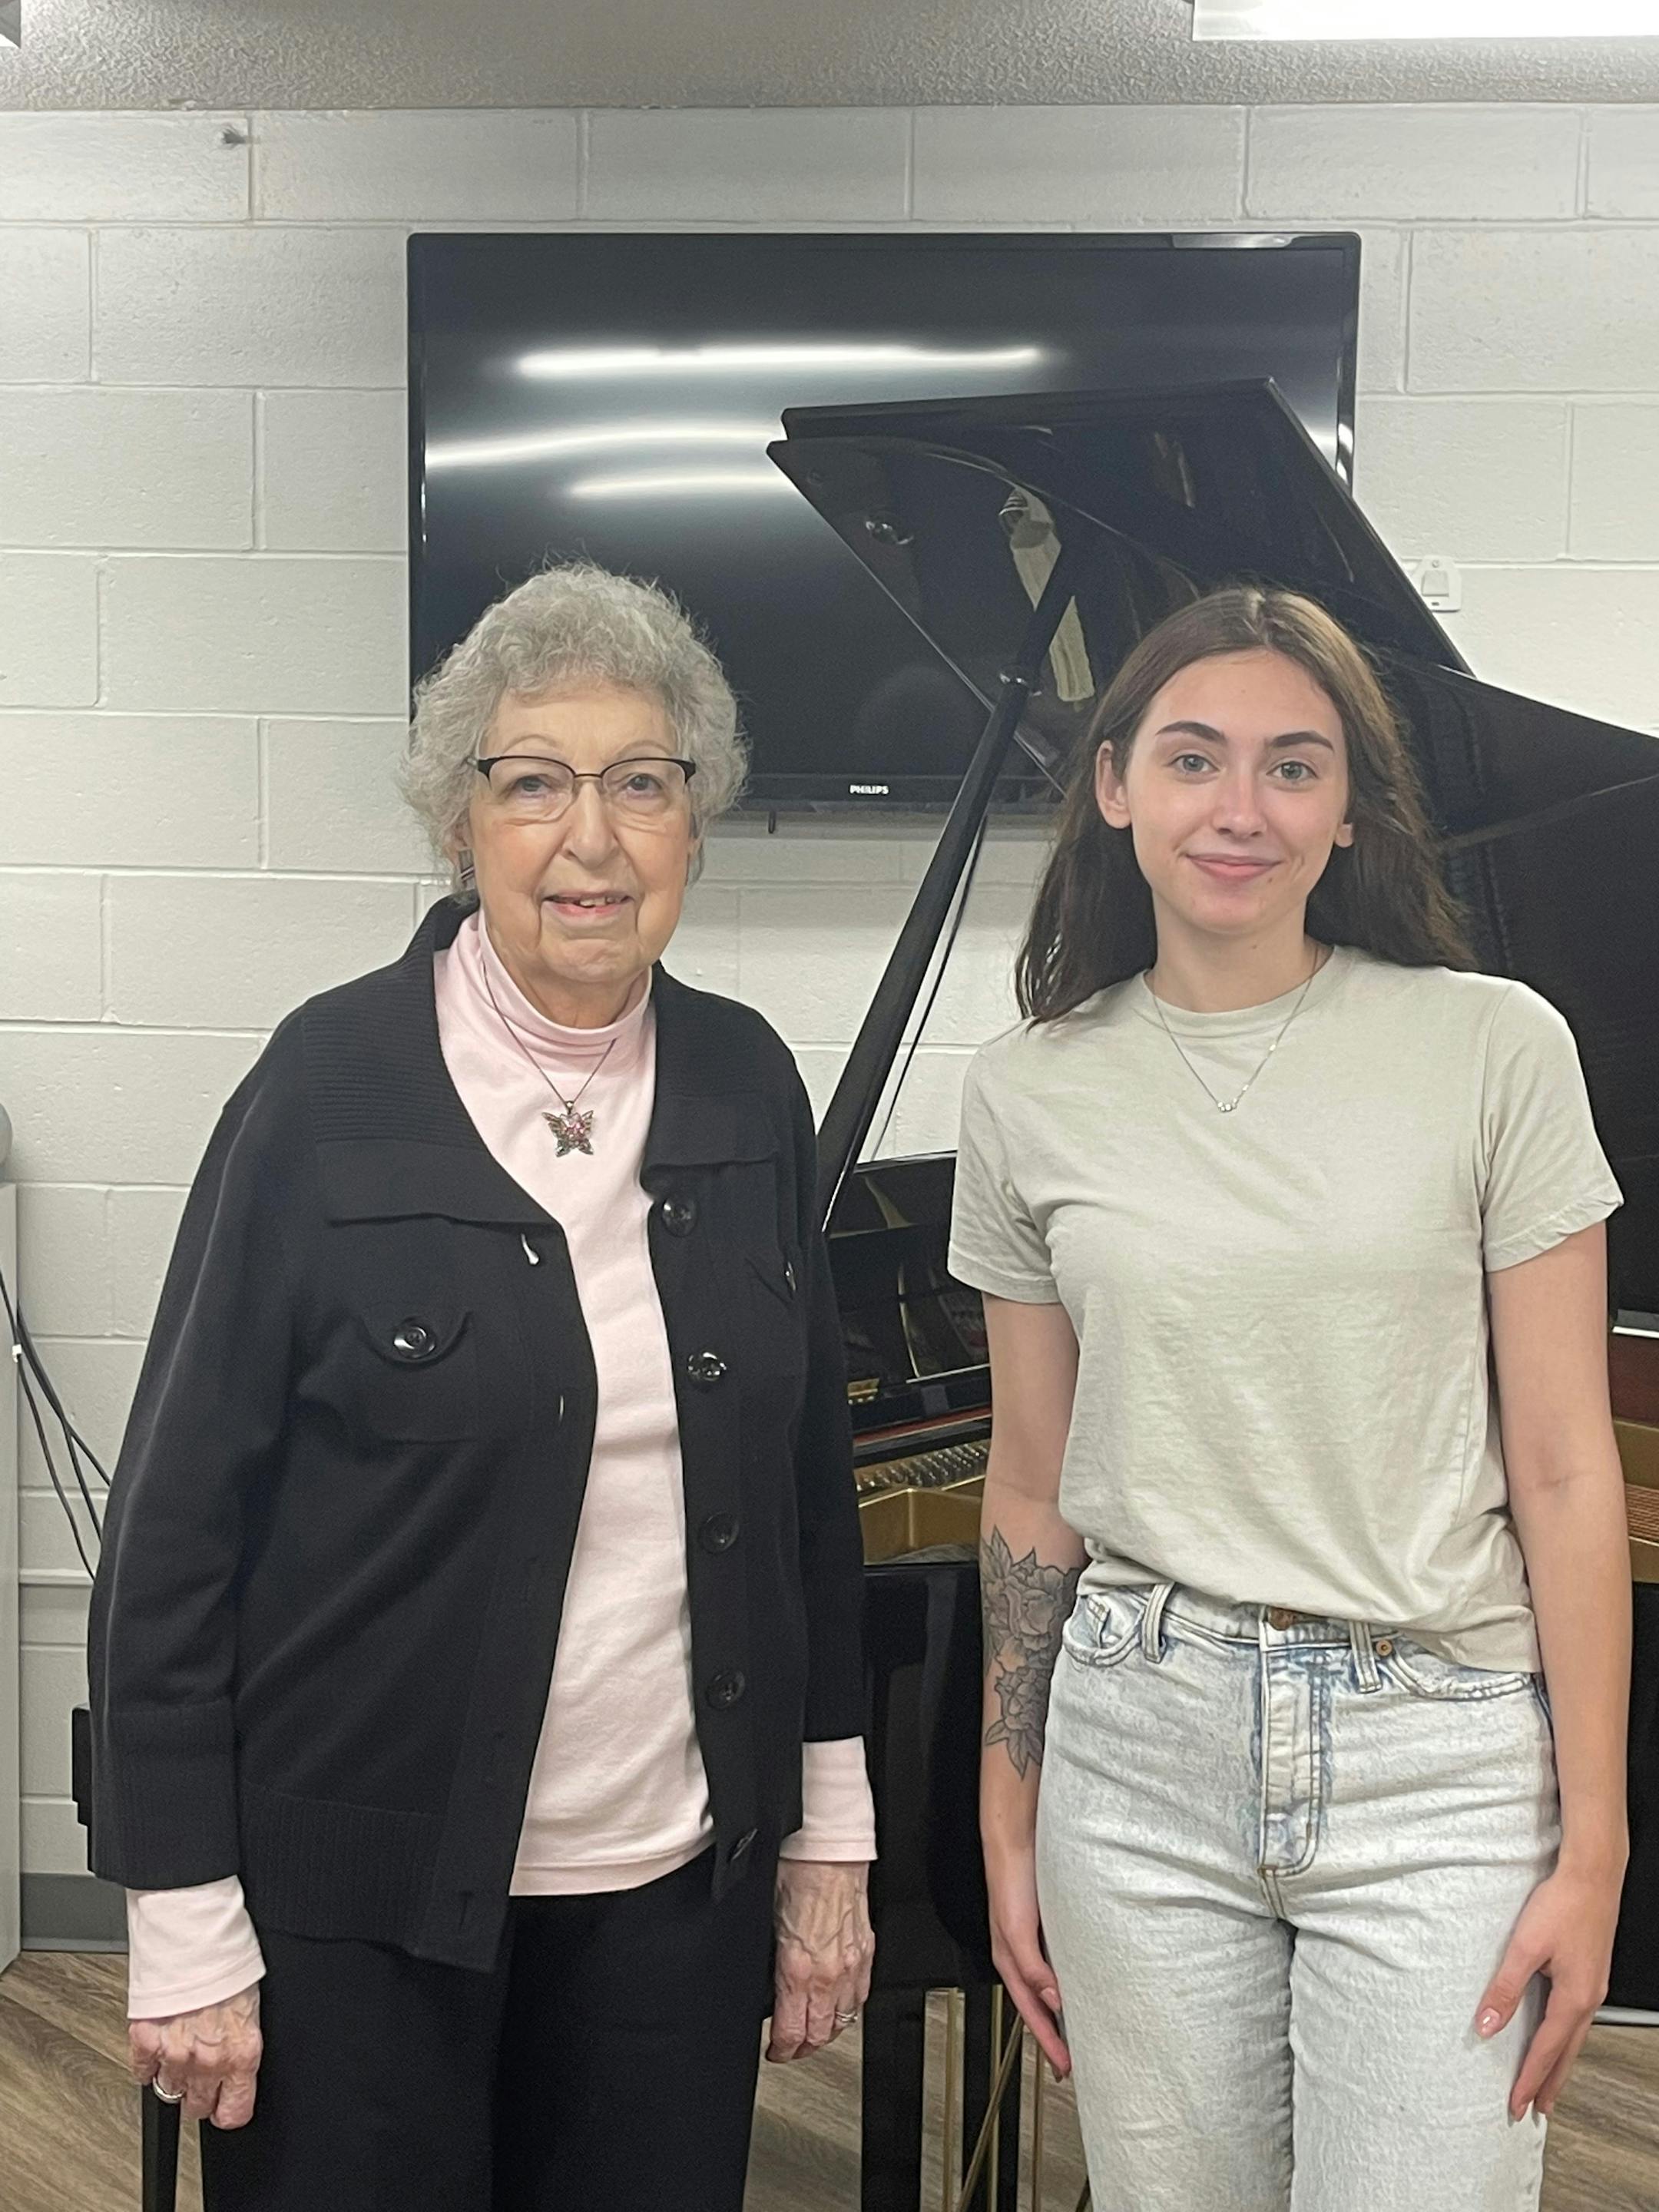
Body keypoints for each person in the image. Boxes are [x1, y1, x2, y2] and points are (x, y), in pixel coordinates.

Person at [87, 561, 876, 2212]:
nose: (590, 836)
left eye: (642, 783)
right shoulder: (328, 1087)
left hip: (673, 1890)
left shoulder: (745, 1080)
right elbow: (174, 1535)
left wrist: (826, 1841)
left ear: (695, 824)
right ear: (462, 823)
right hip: (355, 1909)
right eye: (535, 782)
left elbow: (809, 1500)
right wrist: (179, 1908)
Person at [949, 586, 1630, 2212]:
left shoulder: (1493, 1049)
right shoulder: (1029, 1087)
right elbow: (1031, 1484)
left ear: (1347, 814)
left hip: (1440, 1762)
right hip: (1136, 1751)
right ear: (1114, 786)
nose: (1239, 809)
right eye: (1193, 759)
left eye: (1293, 767)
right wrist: (1006, 1808)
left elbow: (1564, 1467)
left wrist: (1594, 1846)